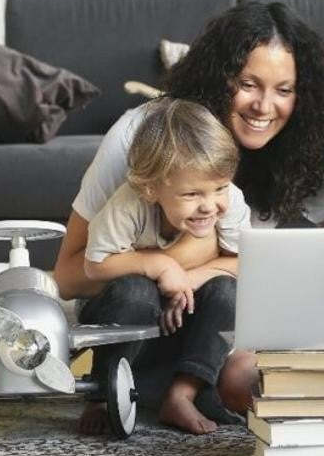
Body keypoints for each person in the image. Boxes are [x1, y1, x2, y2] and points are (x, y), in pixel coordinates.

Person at [53, 1, 324, 434]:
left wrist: (196, 272)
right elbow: (68, 277)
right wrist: (165, 263)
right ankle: (113, 390)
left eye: (284, 90)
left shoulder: (301, 153)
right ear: (219, 76)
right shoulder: (143, 139)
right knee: (137, 294)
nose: (265, 106)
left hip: (210, 336)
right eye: (249, 83)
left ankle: (181, 392)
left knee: (265, 379)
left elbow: (262, 271)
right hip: (132, 325)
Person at [82, 98, 251, 434]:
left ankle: (182, 393)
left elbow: (245, 261)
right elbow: (94, 266)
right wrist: (158, 265)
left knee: (229, 292)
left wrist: (185, 279)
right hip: (122, 317)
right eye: (192, 194)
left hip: (182, 314)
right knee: (136, 290)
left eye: (218, 187)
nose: (210, 205)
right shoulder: (129, 203)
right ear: (150, 188)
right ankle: (101, 394)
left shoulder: (229, 200)